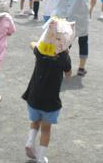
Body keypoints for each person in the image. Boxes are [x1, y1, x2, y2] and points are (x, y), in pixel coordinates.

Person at [22, 17, 74, 163]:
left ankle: (30, 142)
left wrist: (40, 44)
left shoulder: (40, 51)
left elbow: (32, 44)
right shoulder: (64, 58)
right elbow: (69, 74)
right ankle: (40, 157)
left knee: (35, 121)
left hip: (33, 96)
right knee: (46, 129)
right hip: (50, 101)